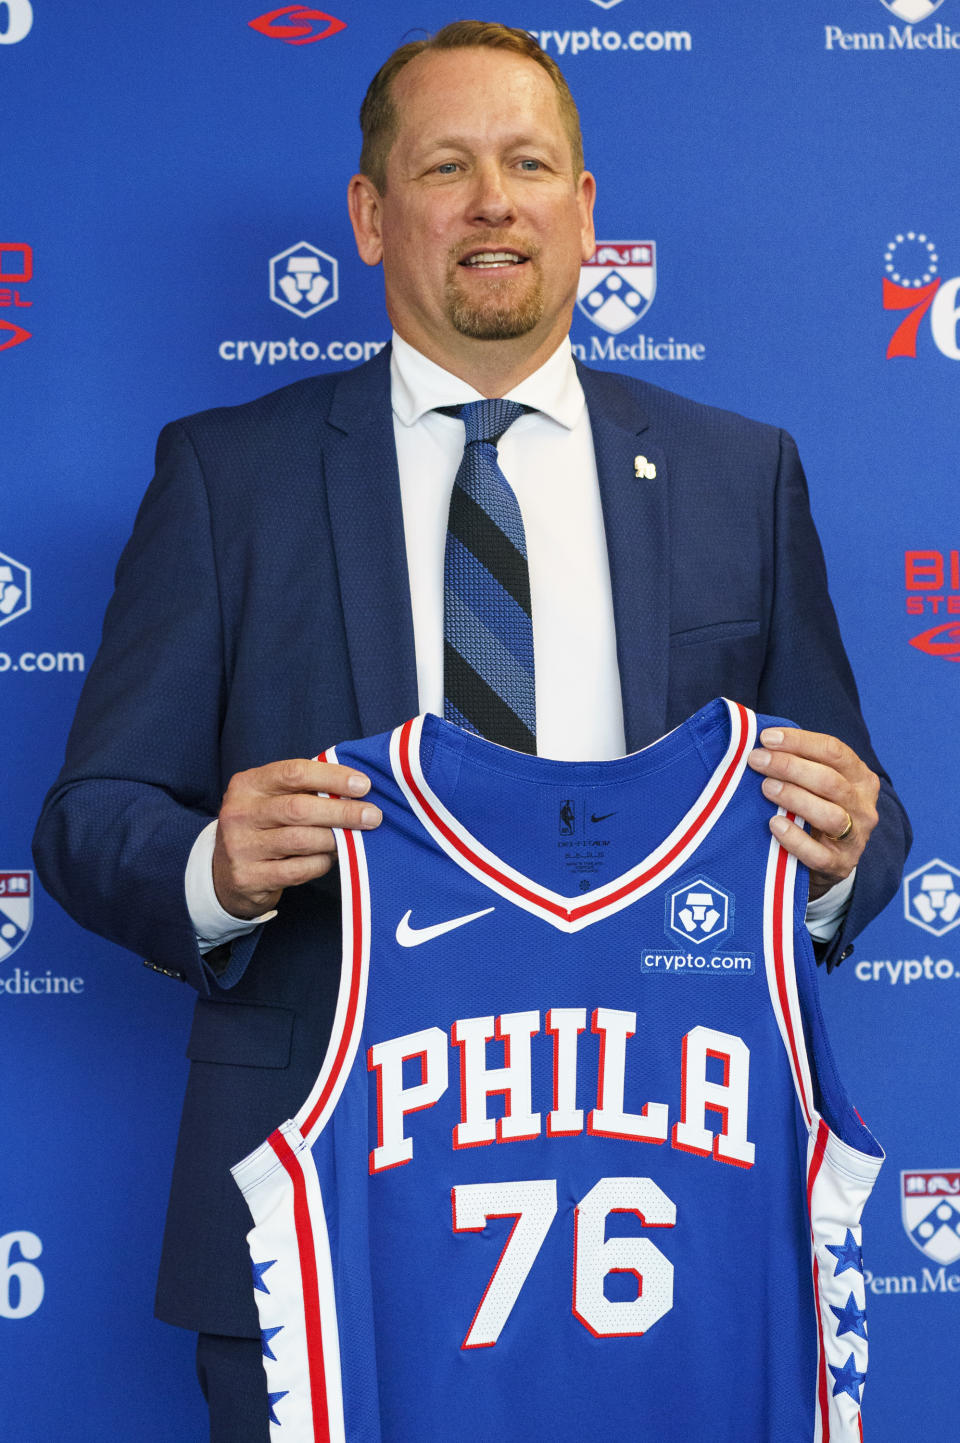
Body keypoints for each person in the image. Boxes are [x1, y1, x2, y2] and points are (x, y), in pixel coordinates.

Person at [33, 20, 910, 1441]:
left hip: (663, 1218)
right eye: (446, 166)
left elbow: (865, 829)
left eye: (529, 163)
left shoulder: (737, 476)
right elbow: (88, 819)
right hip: (323, 1210)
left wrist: (836, 853)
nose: (493, 199)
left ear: (585, 211)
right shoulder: (227, 476)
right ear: (374, 217)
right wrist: (216, 866)